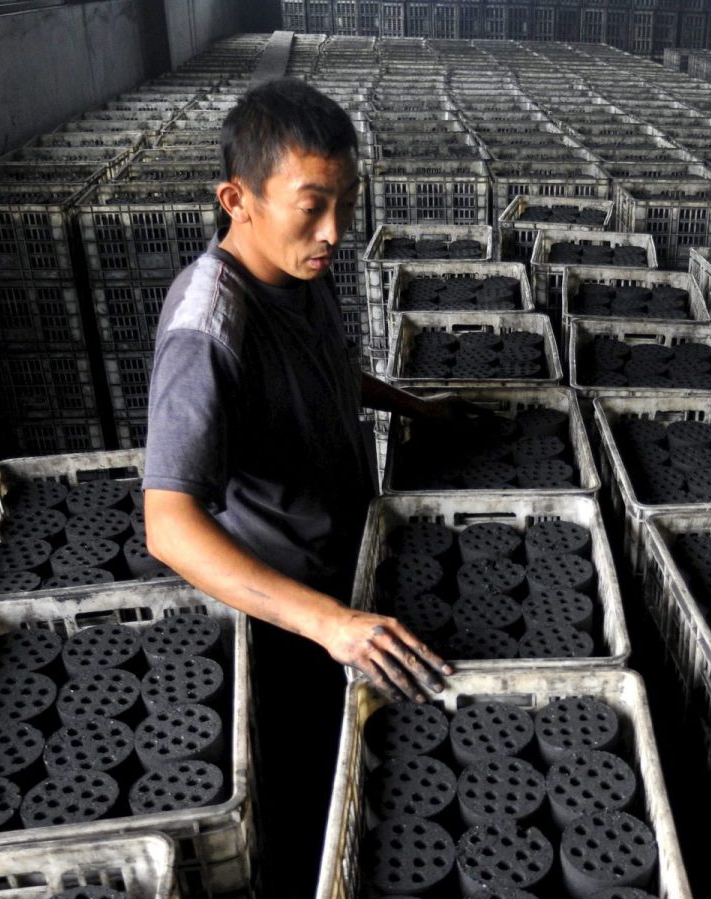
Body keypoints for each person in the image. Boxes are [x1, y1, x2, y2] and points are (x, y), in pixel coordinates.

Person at [142, 76, 482, 705]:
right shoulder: (207, 331)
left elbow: (321, 371)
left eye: (346, 203)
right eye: (311, 206)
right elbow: (168, 525)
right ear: (237, 199)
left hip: (347, 557)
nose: (333, 230)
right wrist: (327, 623)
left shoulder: (299, 266)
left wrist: (415, 407)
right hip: (287, 607)